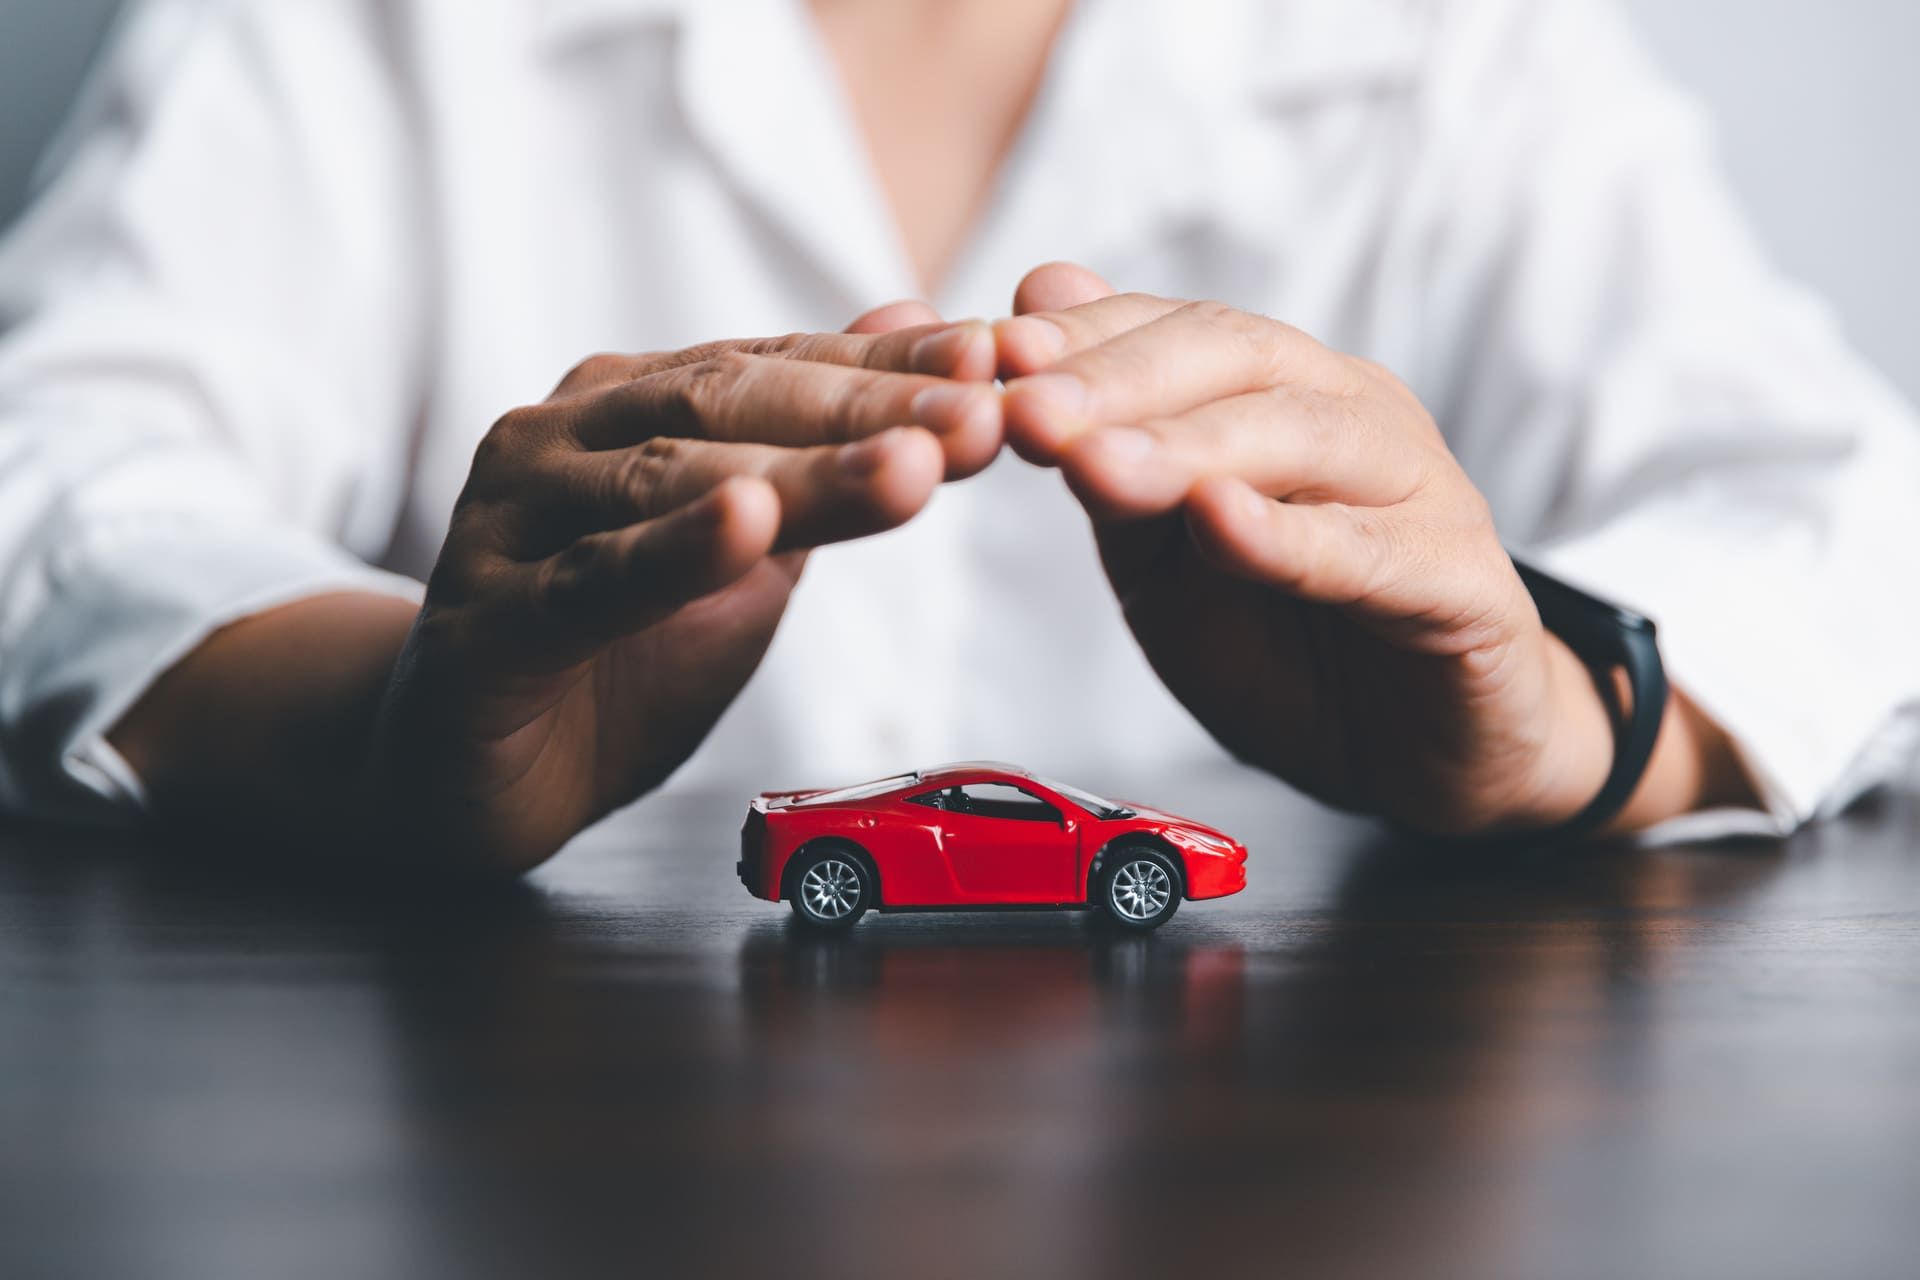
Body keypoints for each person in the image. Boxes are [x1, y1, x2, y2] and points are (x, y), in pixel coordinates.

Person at [0, 0, 1914, 871]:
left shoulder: (1453, 45)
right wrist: (387, 724)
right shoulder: (361, 30)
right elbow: (47, 469)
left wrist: (1568, 719)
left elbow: (1853, 508)